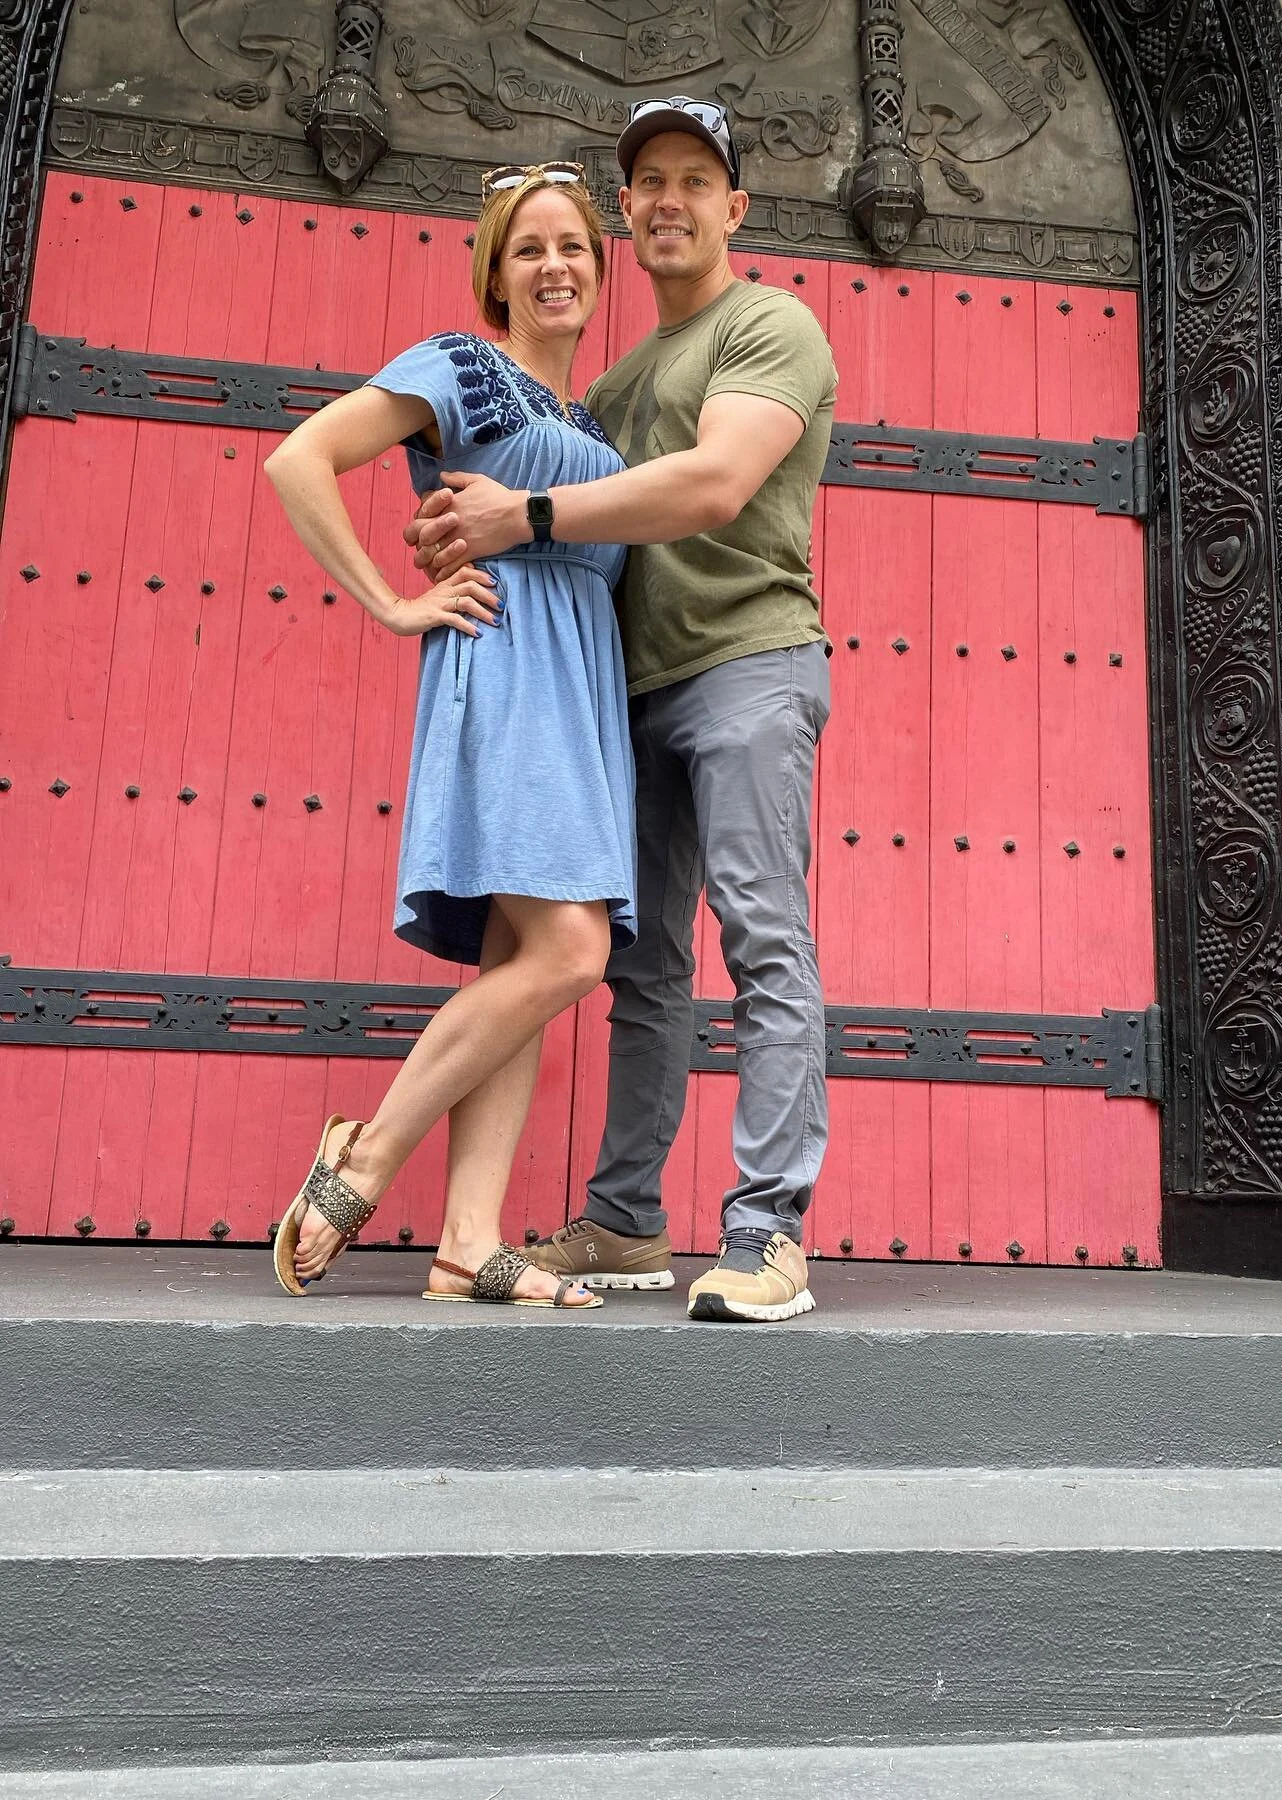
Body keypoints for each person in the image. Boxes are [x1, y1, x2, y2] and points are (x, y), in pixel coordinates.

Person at [405, 99, 838, 1323]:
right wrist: (444, 534)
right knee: (638, 968)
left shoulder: (774, 327)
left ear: (734, 208)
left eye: (695, 180)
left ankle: (767, 1233)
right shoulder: (613, 381)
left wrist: (522, 519)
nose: (667, 200)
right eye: (647, 181)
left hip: (749, 665)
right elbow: (533, 518)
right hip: (629, 694)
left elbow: (709, 485)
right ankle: (630, 1217)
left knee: (764, 940)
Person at [264, 163, 638, 1311]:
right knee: (572, 952)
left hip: (579, 694)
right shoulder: (461, 367)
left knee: (523, 961)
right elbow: (299, 459)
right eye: (529, 248)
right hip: (507, 670)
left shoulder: (590, 422)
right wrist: (392, 600)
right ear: (496, 273)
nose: (555, 265)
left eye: (573, 245)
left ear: (598, 267)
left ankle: (470, 1241)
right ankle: (365, 1157)